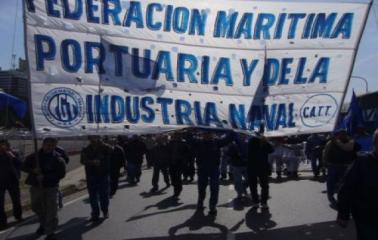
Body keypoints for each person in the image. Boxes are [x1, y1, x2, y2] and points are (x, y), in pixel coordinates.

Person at [337, 129, 378, 240]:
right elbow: (346, 189)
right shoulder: (362, 163)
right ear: (375, 143)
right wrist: (343, 214)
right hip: (367, 216)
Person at [22, 138, 66, 240]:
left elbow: (61, 174)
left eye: (52, 145)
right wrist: (33, 170)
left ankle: (50, 231)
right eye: (48, 145)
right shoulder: (34, 157)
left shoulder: (58, 159)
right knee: (36, 206)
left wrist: (45, 177)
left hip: (51, 187)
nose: (50, 147)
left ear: (55, 146)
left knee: (52, 209)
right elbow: (23, 166)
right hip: (36, 187)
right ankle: (44, 223)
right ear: (43, 144)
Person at [191, 130, 233, 216]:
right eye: (205, 133)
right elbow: (188, 139)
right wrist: (188, 129)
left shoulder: (217, 142)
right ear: (202, 134)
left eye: (209, 133)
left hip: (214, 169)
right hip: (202, 169)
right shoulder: (198, 142)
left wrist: (231, 129)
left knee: (214, 188)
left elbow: (229, 138)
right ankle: (200, 201)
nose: (207, 135)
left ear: (212, 134)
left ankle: (212, 205)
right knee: (201, 188)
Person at [323, 129, 360, 208]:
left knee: (344, 184)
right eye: (341, 134)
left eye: (344, 134)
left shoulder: (350, 142)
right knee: (331, 183)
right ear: (338, 135)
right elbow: (325, 153)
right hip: (333, 165)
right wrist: (325, 163)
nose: (342, 135)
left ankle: (343, 200)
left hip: (346, 166)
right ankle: (331, 197)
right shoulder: (331, 143)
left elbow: (357, 151)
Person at [81, 136, 112, 221]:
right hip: (91, 175)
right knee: (92, 196)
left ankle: (105, 210)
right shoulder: (86, 149)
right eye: (91, 138)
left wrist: (103, 144)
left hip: (103, 175)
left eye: (95, 137)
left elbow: (112, 150)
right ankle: (95, 213)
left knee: (104, 195)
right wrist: (92, 162)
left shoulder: (105, 147)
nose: (93, 139)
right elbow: (83, 161)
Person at [0, 140, 22, 230]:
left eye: (4, 145)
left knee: (16, 200)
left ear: (8, 146)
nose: (2, 147)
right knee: (0, 203)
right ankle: (2, 222)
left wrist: (12, 156)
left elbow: (20, 164)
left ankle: (18, 216)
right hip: (0, 182)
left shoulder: (13, 154)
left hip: (12, 180)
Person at [247, 135, 274, 209]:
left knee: (261, 186)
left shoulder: (262, 141)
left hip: (259, 167)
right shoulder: (252, 140)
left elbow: (271, 150)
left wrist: (265, 141)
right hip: (254, 166)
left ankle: (260, 202)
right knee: (257, 185)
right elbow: (271, 150)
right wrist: (265, 141)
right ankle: (259, 202)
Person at [167, 133, 191, 199]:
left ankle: (177, 191)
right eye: (174, 136)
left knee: (177, 177)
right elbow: (167, 152)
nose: (175, 137)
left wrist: (184, 160)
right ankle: (176, 189)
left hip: (179, 163)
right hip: (171, 163)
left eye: (177, 135)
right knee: (172, 178)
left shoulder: (183, 143)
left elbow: (187, 153)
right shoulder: (170, 143)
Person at [227, 135, 249, 199]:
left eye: (244, 136)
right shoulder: (233, 145)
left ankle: (243, 188)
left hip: (246, 165)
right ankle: (239, 193)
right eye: (241, 136)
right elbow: (228, 154)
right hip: (236, 165)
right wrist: (236, 153)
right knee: (238, 181)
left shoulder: (247, 144)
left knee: (249, 179)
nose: (243, 137)